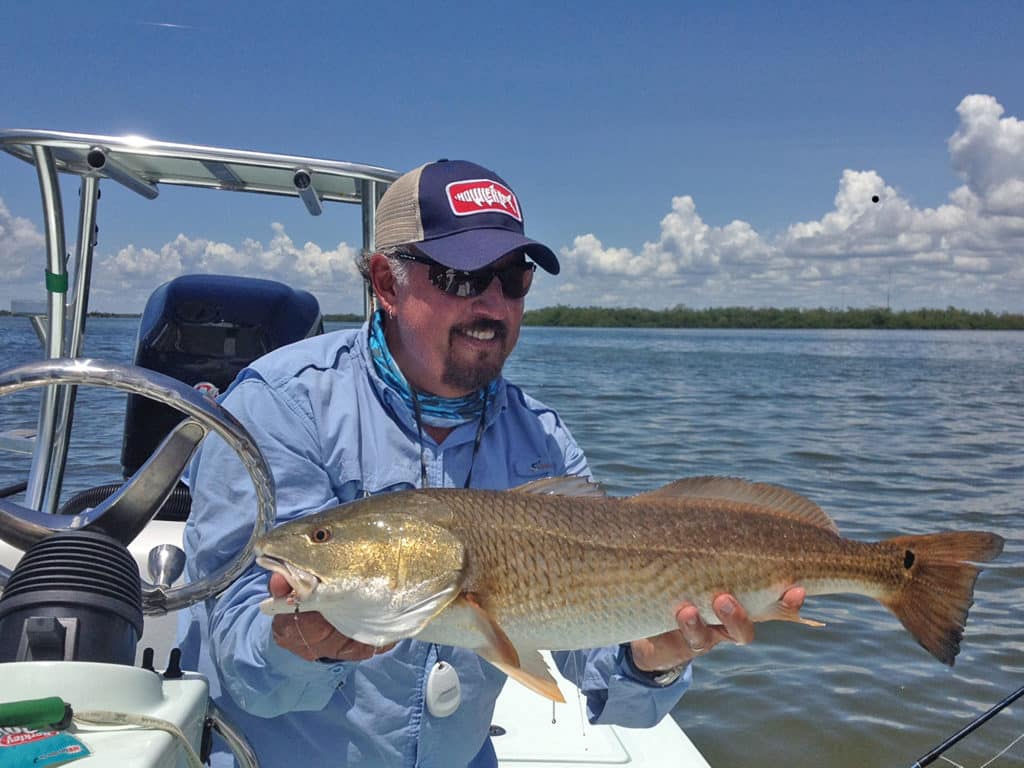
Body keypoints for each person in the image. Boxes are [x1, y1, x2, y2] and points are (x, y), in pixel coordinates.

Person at [178, 159, 806, 767]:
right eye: (461, 276)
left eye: (513, 277)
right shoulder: (280, 406)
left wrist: (650, 660)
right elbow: (240, 669)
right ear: (385, 283)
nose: (493, 303)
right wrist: (299, 648)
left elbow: (605, 678)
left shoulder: (544, 444)